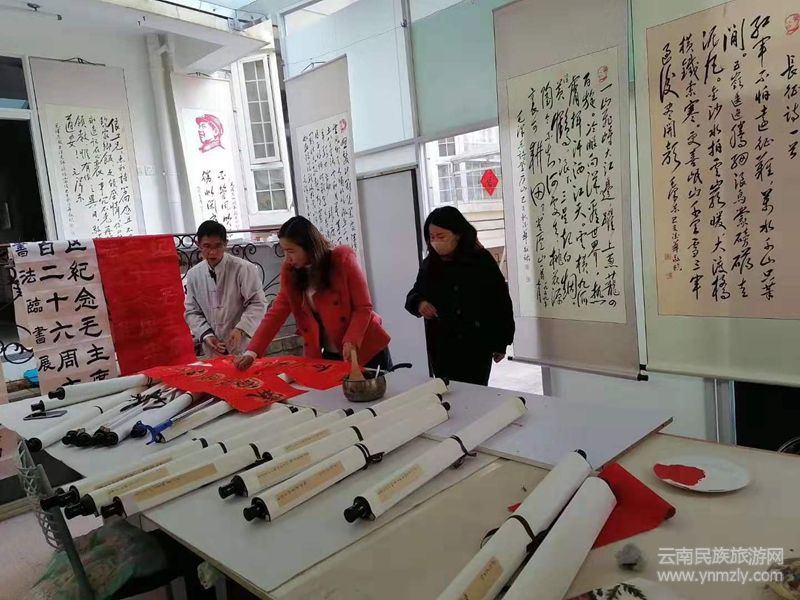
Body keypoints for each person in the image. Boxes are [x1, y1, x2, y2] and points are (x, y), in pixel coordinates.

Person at [234, 216, 391, 370]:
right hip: (331, 352)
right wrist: (252, 352)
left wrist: (351, 339)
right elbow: (275, 314)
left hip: (365, 346)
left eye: (291, 251)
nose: (287, 258)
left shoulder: (342, 261)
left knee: (378, 386)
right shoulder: (291, 273)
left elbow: (363, 307)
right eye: (284, 251)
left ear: (309, 247)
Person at [406, 206, 515, 386]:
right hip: (441, 345)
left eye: (441, 236)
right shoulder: (430, 264)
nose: (436, 242)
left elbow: (500, 302)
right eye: (432, 237)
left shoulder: (481, 260)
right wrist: (420, 304)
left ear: (457, 234)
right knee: (446, 390)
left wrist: (500, 341)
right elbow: (414, 294)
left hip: (475, 344)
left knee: (475, 392)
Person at [185, 220, 267, 357]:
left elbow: (258, 303)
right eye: (206, 246)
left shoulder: (244, 269)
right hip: (212, 347)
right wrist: (206, 334)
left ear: (226, 244)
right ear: (198, 245)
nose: (212, 252)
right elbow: (192, 311)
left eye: (218, 246)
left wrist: (241, 328)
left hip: (243, 344)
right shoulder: (194, 275)